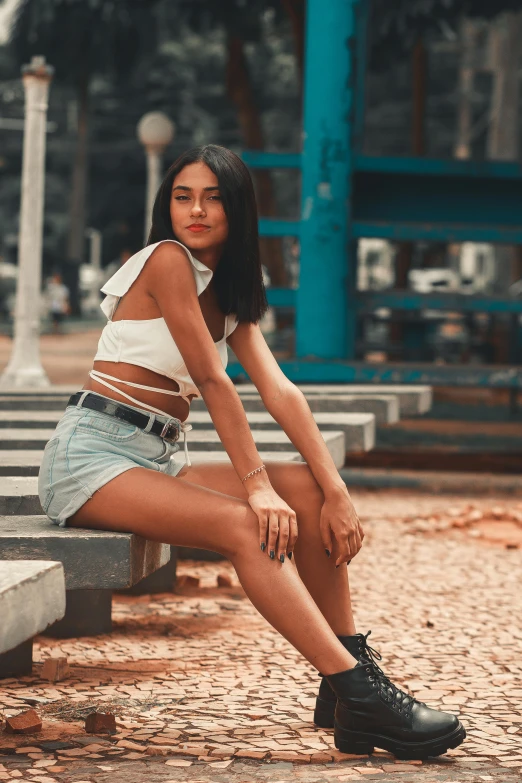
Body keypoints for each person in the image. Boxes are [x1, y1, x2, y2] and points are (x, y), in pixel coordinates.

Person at [38, 144, 466, 761]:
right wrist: (255, 484)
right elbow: (213, 380)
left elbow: (280, 390)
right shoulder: (165, 261)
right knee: (250, 524)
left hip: (152, 457)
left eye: (213, 197)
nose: (197, 210)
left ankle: (340, 688)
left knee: (309, 492)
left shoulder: (232, 287)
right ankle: (363, 694)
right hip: (90, 458)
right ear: (167, 205)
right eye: (183, 196)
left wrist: (336, 491)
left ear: (238, 208)